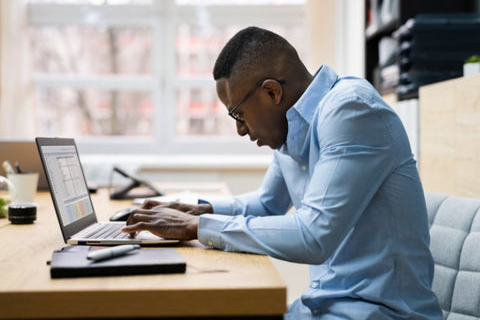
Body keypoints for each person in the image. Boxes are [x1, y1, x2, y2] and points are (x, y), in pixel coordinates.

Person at [123, 27, 443, 319]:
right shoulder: (294, 128)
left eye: (239, 114)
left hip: (382, 313)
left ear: (272, 92)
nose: (240, 130)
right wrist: (201, 210)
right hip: (325, 307)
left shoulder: (350, 111)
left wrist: (199, 227)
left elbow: (313, 236)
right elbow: (266, 204)